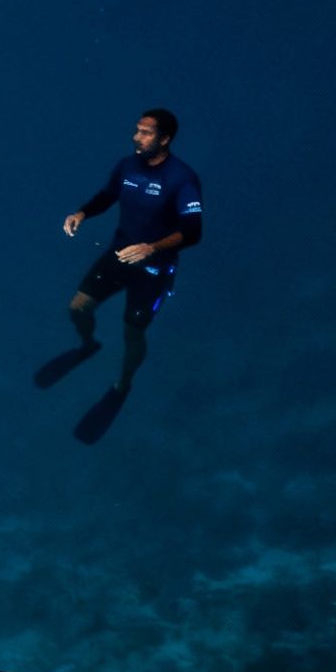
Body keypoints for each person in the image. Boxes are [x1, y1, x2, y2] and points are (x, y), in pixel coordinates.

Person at [36, 108, 203, 443]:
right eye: (137, 130)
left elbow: (193, 231)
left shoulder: (182, 178)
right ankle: (89, 345)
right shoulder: (128, 166)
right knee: (77, 308)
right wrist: (82, 213)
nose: (136, 137)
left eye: (146, 133)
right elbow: (108, 195)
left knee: (132, 331)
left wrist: (151, 248)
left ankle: (122, 386)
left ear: (165, 139)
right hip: (118, 255)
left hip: (154, 267)